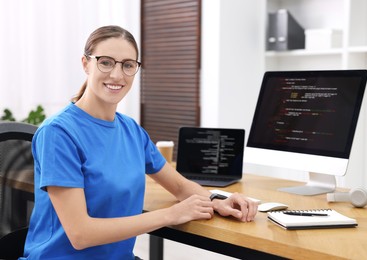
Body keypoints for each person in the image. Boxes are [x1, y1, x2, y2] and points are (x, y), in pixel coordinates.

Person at [22, 25, 258, 259]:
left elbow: (180, 187)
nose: (117, 75)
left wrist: (218, 201)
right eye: (105, 62)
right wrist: (171, 215)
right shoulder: (58, 133)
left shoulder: (131, 130)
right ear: (85, 64)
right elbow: (81, 234)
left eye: (127, 65)